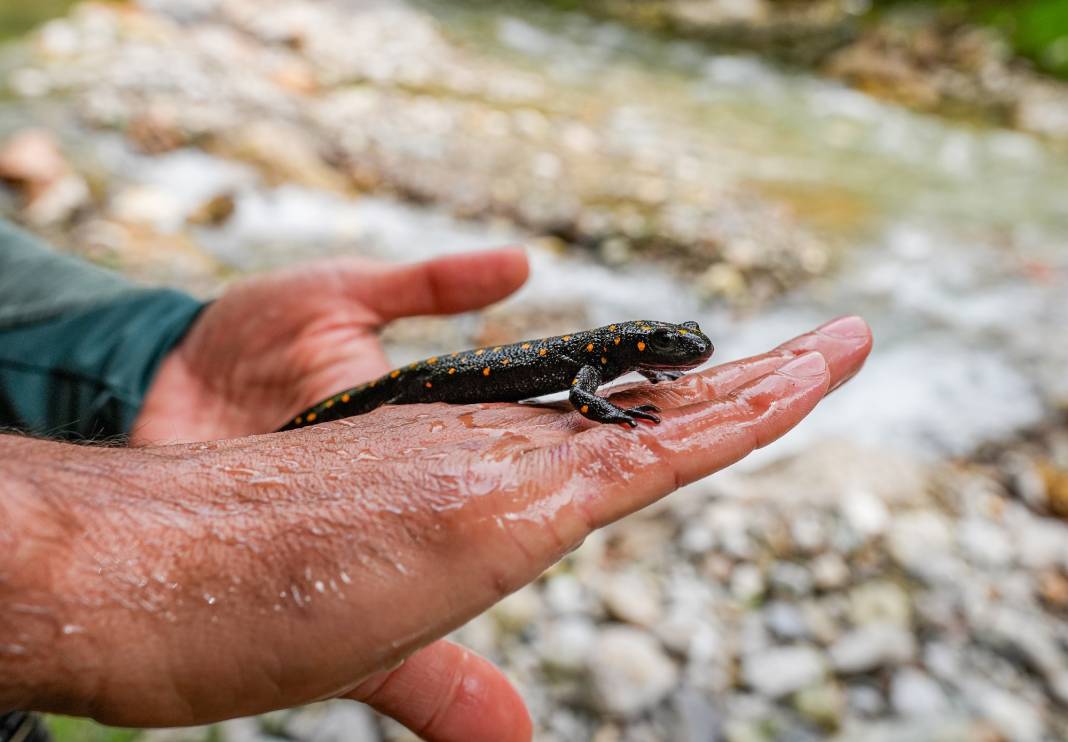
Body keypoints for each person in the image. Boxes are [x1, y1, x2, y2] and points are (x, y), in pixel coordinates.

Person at [0, 220, 872, 741]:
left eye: (681, 348)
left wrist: (152, 350)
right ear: (638, 348)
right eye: (672, 350)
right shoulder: (595, 364)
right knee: (380, 407)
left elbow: (586, 379)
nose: (683, 355)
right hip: (420, 389)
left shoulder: (611, 351)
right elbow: (576, 398)